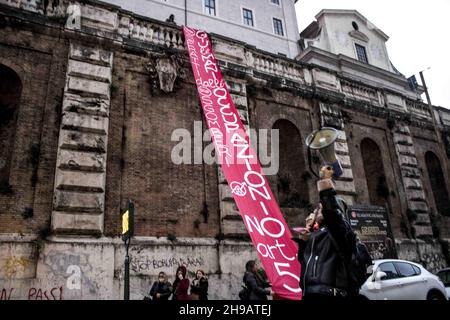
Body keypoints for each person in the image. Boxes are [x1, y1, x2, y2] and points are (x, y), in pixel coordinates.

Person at [293, 165, 357, 300]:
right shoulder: (316, 233)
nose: (317, 211)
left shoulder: (338, 231)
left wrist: (326, 185)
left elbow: (332, 214)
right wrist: (304, 240)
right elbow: (304, 261)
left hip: (330, 293)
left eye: (320, 208)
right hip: (310, 294)